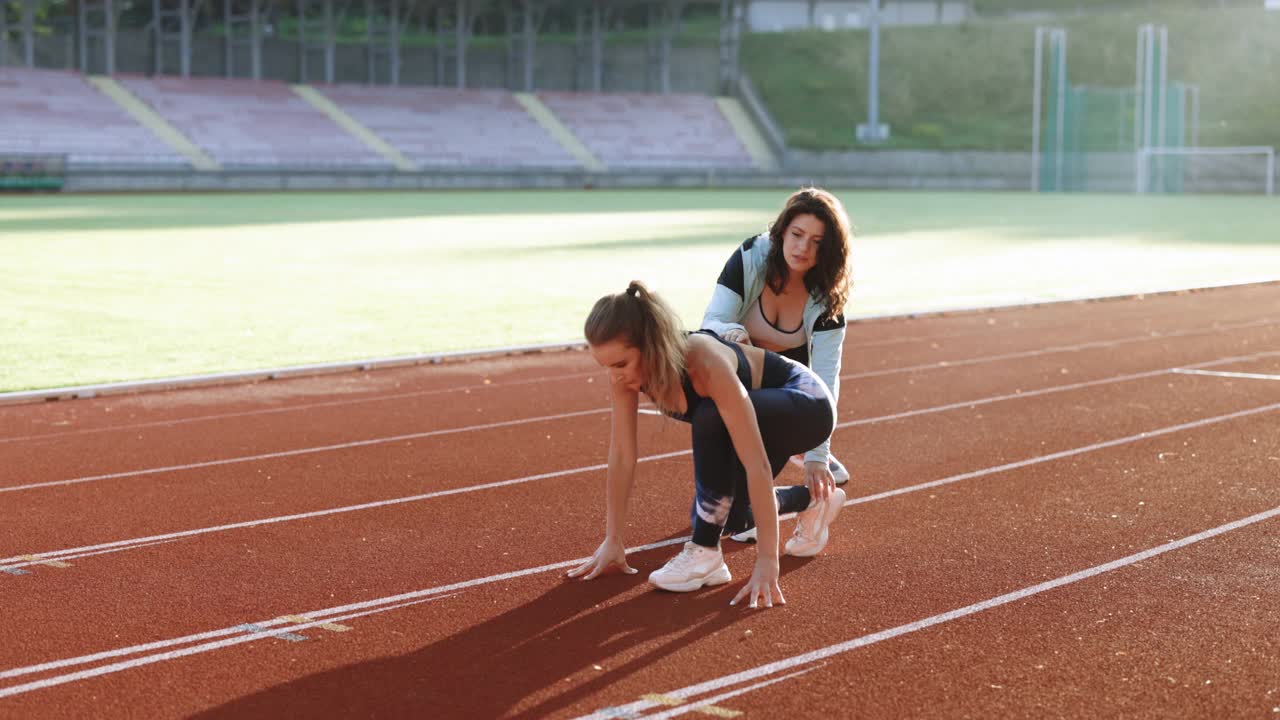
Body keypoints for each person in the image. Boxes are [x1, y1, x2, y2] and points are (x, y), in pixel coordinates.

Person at [567, 281, 847, 609]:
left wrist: (768, 561)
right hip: (753, 416)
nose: (615, 376)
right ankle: (815, 501)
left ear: (651, 345)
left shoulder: (703, 361)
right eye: (606, 367)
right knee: (725, 516)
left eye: (620, 364)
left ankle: (705, 554)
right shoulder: (627, 375)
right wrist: (613, 539)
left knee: (708, 416)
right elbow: (623, 456)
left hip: (806, 404)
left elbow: (757, 463)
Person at [701, 188, 853, 542]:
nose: (803, 248)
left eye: (817, 242)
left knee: (728, 517)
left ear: (828, 250)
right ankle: (807, 501)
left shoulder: (828, 298)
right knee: (725, 511)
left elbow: (826, 381)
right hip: (738, 381)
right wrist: (734, 332)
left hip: (788, 399)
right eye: (797, 235)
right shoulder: (751, 257)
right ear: (782, 231)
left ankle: (814, 497)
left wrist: (818, 455)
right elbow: (711, 322)